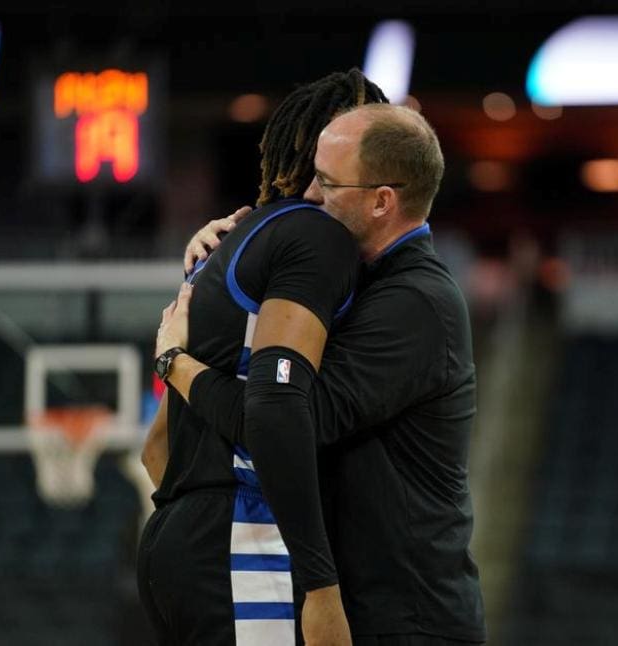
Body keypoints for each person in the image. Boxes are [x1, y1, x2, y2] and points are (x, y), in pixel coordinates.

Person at [159, 103, 487, 645]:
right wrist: (222, 257)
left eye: (329, 183)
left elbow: (284, 419)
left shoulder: (417, 304)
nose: (310, 195)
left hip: (412, 620)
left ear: (383, 201)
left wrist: (177, 364)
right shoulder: (363, 281)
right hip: (374, 611)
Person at [139, 69, 389, 646]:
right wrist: (322, 588)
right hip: (242, 539)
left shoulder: (232, 241)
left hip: (181, 534)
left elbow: (156, 451)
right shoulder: (315, 238)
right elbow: (274, 412)